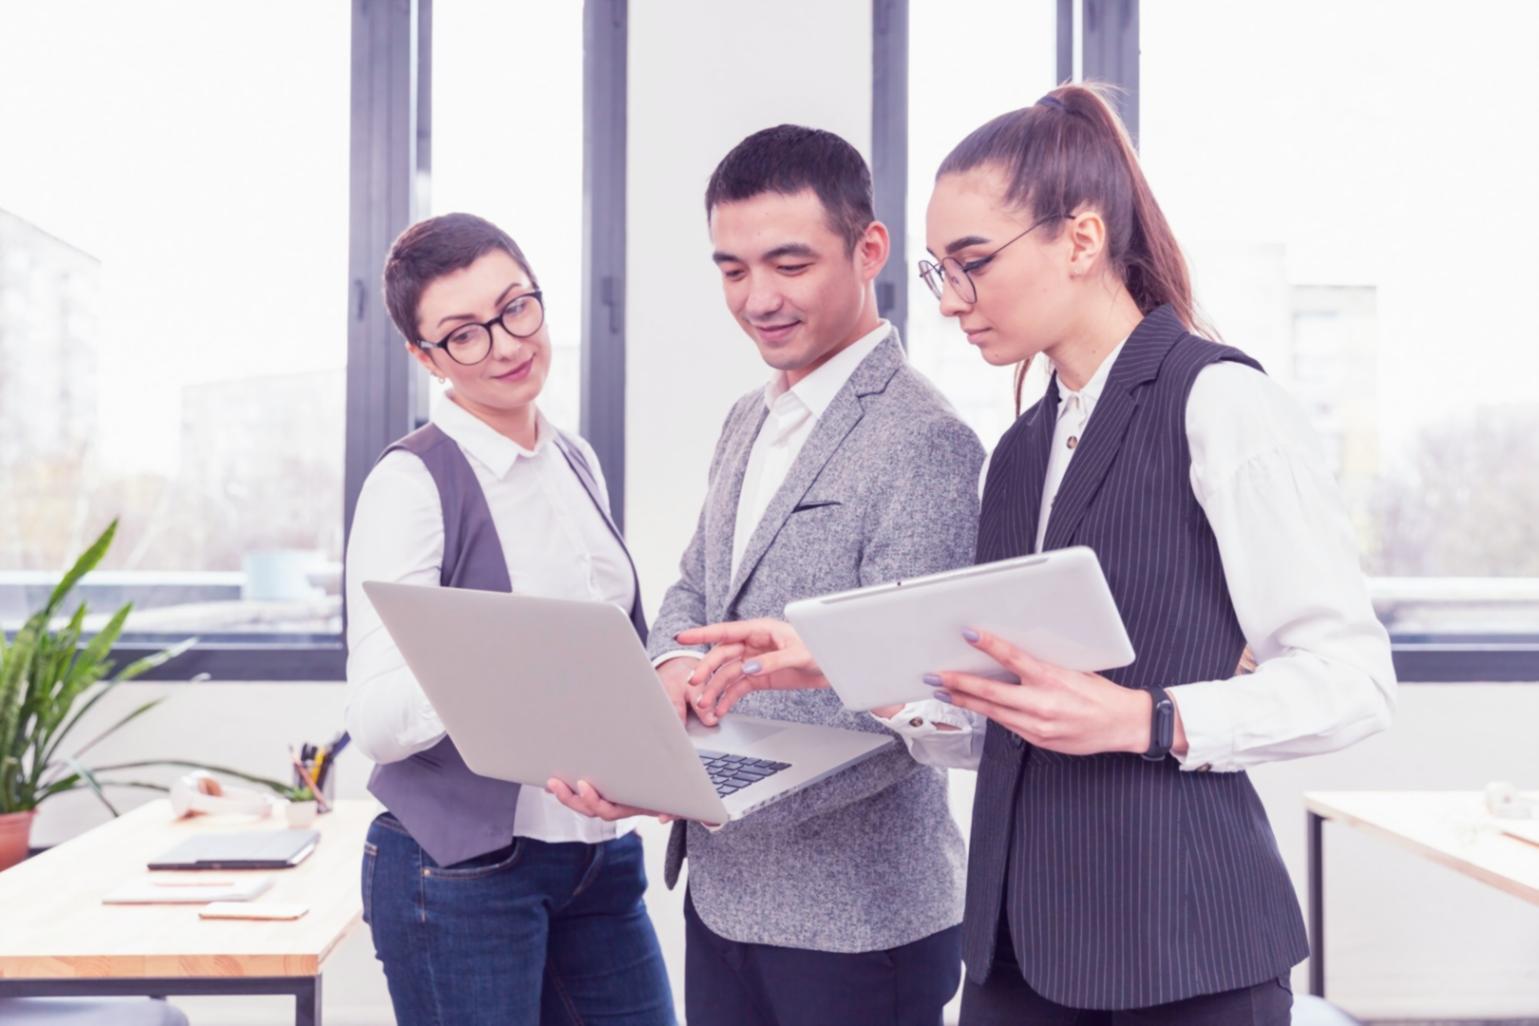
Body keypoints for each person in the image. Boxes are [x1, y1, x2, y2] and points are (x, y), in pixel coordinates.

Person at [681, 85, 1397, 1026]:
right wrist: (859, 663)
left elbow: (1354, 680)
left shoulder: (1219, 406)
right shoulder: (1020, 452)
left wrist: (1148, 719)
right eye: (941, 272)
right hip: (1016, 955)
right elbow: (1008, 727)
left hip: (1183, 947)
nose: (952, 304)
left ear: (1081, 239)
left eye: (973, 264)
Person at [552, 125, 984, 1026]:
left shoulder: (925, 442)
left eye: (788, 264)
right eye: (732, 269)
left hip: (861, 920)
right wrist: (665, 683)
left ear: (869, 250)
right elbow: (694, 592)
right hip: (727, 896)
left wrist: (691, 788)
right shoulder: (746, 419)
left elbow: (923, 695)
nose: (757, 299)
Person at [344, 212, 675, 1026]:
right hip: (460, 872)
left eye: (514, 308)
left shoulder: (575, 460)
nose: (502, 345)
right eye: (462, 335)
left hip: (598, 859)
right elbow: (377, 722)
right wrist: (509, 659)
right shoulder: (412, 484)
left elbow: (610, 654)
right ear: (425, 359)